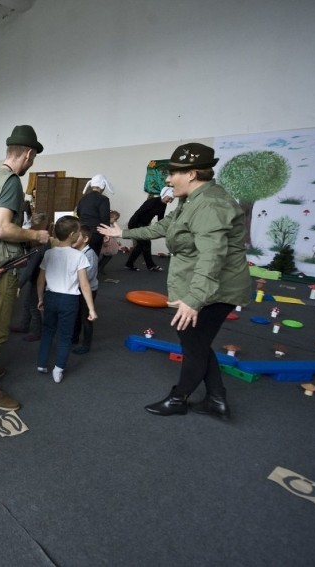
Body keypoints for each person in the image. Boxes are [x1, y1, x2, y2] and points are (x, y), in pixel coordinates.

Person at [98, 143, 252, 419]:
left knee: (193, 343)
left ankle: (179, 398)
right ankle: (216, 399)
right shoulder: (192, 199)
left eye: (173, 173)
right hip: (200, 285)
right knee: (197, 343)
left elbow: (212, 257)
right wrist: (124, 232)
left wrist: (194, 300)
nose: (168, 180)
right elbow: (164, 227)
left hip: (214, 289)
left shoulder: (210, 205)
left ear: (192, 173)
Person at [0, 125, 50, 411]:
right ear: (28, 154)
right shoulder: (12, 183)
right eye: (33, 158)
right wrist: (36, 236)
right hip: (1, 267)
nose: (32, 163)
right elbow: (1, 229)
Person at [35, 216, 96, 383]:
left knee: (47, 331)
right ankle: (59, 368)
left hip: (51, 297)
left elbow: (41, 280)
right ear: (71, 235)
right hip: (69, 301)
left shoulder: (48, 253)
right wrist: (91, 308)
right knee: (65, 335)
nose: (78, 235)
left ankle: (41, 363)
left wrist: (41, 298)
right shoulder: (78, 256)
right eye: (77, 232)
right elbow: (84, 285)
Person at [10, 212, 50, 342]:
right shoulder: (43, 244)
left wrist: (18, 286)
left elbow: (29, 270)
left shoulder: (39, 248)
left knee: (33, 305)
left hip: (38, 280)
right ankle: (24, 325)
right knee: (27, 302)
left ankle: (37, 332)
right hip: (36, 278)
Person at [125, 187, 175, 271]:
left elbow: (161, 219)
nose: (169, 201)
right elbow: (138, 213)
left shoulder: (163, 205)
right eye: (169, 198)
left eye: (171, 200)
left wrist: (164, 229)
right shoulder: (151, 202)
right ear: (164, 195)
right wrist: (132, 228)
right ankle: (150, 265)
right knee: (146, 244)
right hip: (136, 223)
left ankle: (129, 264)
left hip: (144, 225)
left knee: (141, 246)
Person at [71, 225, 99, 355]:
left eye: (77, 236)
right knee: (76, 315)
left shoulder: (90, 254)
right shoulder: (76, 252)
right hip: (78, 289)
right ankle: (74, 337)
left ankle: (86, 344)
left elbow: (88, 277)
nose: (73, 238)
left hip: (88, 290)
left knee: (86, 317)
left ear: (85, 239)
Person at [75, 174, 113, 257]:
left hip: (82, 230)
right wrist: (107, 233)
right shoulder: (104, 199)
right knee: (93, 256)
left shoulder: (84, 198)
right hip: (96, 232)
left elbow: (78, 213)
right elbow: (105, 217)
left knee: (79, 255)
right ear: (103, 186)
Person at [97, 210, 121, 277]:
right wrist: (104, 242)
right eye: (115, 219)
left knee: (106, 256)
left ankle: (99, 267)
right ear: (110, 217)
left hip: (110, 242)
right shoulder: (106, 224)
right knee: (107, 256)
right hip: (107, 242)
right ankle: (100, 268)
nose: (116, 221)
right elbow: (104, 234)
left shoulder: (111, 224)